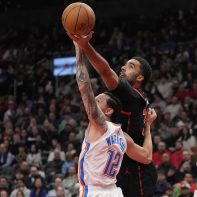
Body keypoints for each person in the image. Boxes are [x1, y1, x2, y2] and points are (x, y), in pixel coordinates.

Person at [68, 32, 157, 197]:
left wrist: (83, 46)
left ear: (140, 77)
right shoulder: (124, 129)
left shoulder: (129, 95)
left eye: (131, 66)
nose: (123, 67)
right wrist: (148, 126)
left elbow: (103, 71)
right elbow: (147, 155)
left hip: (135, 173)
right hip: (121, 177)